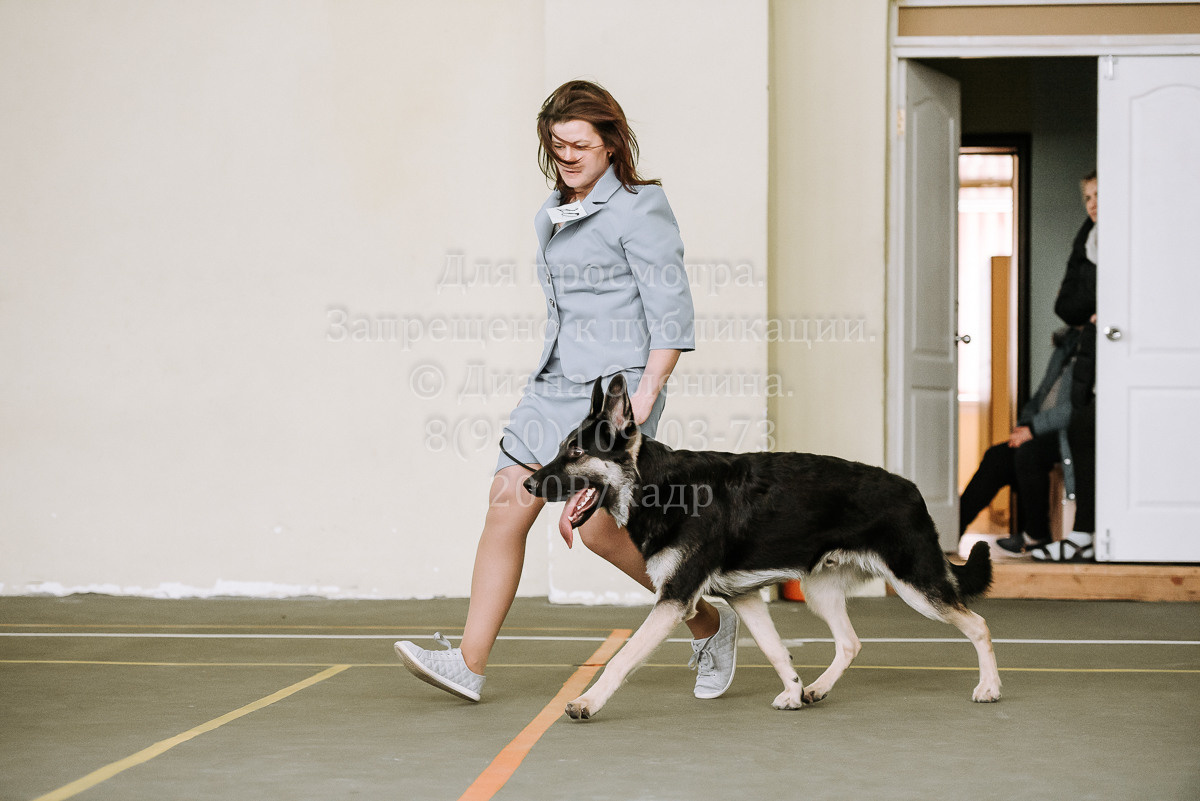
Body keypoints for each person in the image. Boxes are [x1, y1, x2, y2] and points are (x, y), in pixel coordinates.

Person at [394, 80, 738, 702]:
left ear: (611, 142)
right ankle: (468, 664)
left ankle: (709, 620)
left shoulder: (641, 208)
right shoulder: (553, 211)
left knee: (605, 532)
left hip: (613, 396)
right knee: (507, 506)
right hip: (552, 382)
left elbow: (671, 312)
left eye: (581, 144)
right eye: (558, 147)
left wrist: (644, 395)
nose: (569, 157)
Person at [960, 326, 1081, 555]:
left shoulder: (1093, 346)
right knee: (997, 456)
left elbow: (1075, 407)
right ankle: (946, 532)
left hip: (1068, 434)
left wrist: (1033, 429)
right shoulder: (1066, 344)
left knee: (1029, 453)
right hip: (1039, 430)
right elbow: (1041, 394)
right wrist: (1024, 426)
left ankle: (1036, 535)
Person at [1035, 171, 1099, 562]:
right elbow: (1066, 306)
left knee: (1083, 428)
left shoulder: (1126, 237)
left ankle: (1087, 532)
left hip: (1114, 352)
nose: (1092, 204)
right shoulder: (1088, 240)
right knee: (1080, 429)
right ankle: (1084, 532)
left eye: (1099, 195)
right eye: (1088, 197)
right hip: (1093, 353)